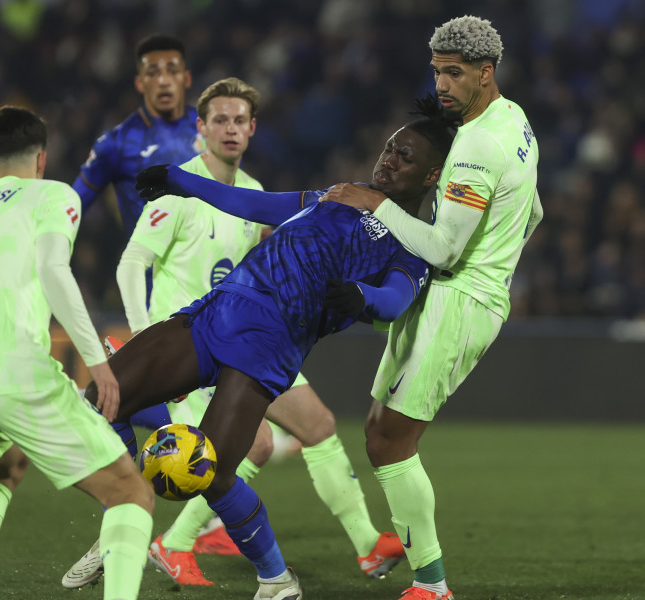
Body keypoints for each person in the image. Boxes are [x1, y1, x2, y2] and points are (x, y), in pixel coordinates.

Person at [153, 16, 544, 600]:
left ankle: (432, 586)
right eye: (437, 70)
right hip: (466, 293)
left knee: (391, 442)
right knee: (379, 435)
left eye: (454, 73)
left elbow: (443, 248)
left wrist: (372, 203)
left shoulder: (474, 149)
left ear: (485, 73)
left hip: (459, 298)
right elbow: (532, 209)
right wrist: (503, 259)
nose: (441, 84)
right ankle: (390, 557)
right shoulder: (515, 123)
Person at [85, 107, 454, 600]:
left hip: (269, 344)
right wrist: (181, 180)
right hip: (218, 310)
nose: (388, 160)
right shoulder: (340, 194)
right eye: (389, 147)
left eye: (404, 156)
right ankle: (124, 523)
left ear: (431, 174)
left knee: (212, 474)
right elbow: (261, 205)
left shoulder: (414, 245)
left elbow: (396, 301)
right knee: (103, 396)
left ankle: (276, 580)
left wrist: (364, 298)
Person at [0, 106, 154, 600]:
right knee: (131, 492)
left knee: (4, 464)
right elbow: (54, 271)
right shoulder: (54, 195)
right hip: (13, 372)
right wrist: (98, 362)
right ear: (42, 159)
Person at [72, 32, 202, 236]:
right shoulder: (116, 144)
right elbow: (73, 207)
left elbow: (238, 187)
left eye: (172, 71)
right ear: (140, 83)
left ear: (186, 78)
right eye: (153, 73)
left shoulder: (214, 131)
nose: (163, 81)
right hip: (151, 264)